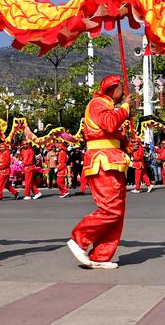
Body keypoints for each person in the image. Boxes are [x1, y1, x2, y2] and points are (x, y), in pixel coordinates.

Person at [67, 75, 131, 270]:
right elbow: (110, 123)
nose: (124, 91)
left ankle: (101, 256)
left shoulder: (110, 107)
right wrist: (125, 108)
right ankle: (79, 239)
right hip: (102, 161)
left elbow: (117, 135)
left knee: (117, 213)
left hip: (114, 160)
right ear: (112, 88)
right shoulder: (97, 104)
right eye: (121, 87)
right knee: (110, 209)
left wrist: (130, 145)